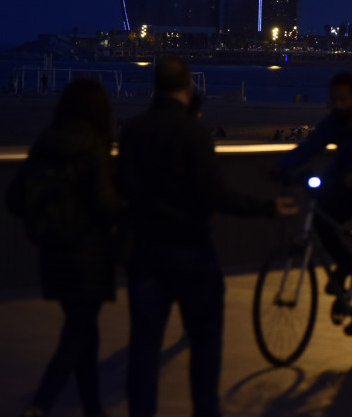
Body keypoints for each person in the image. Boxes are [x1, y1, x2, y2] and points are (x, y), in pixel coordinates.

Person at [116, 56, 295, 417]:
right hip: (191, 248)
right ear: (189, 86)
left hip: (146, 250)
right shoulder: (193, 133)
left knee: (144, 349)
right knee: (205, 343)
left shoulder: (134, 131)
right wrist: (267, 208)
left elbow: (122, 188)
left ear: (155, 85)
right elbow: (216, 194)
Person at [7, 79, 122, 417]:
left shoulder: (46, 142)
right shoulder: (93, 146)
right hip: (88, 256)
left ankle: (93, 409)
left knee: (85, 333)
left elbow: (15, 198)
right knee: (77, 335)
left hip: (53, 254)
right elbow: (104, 203)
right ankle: (40, 403)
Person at [273, 72, 352, 335]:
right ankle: (345, 263)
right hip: (350, 186)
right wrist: (277, 167)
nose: (339, 106)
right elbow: (310, 148)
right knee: (320, 217)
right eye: (335, 101)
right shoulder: (335, 123)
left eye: (344, 100)